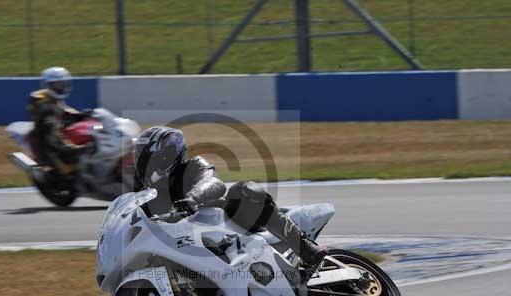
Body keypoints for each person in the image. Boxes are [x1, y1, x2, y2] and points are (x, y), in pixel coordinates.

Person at [134, 126, 327, 272]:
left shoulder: (194, 166)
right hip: (190, 246)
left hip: (227, 227)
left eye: (151, 159)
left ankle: (305, 247)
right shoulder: (148, 196)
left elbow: (213, 183)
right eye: (143, 160)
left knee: (243, 190)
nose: (147, 166)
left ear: (167, 156)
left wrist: (193, 199)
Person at [27, 66, 92, 175]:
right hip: (48, 142)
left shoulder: (54, 100)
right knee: (52, 128)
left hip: (59, 130)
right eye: (57, 84)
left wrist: (83, 115)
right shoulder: (42, 102)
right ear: (47, 85)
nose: (61, 87)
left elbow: (65, 112)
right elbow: (51, 125)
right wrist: (70, 148)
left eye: (63, 84)